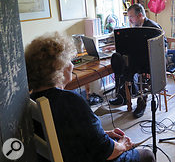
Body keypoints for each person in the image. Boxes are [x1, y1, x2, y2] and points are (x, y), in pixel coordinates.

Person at [25, 32, 155, 162]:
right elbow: (107, 152)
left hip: (68, 153)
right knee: (147, 154)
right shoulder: (71, 101)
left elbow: (68, 133)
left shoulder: (31, 99)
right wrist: (122, 145)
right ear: (59, 68)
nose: (72, 65)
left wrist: (102, 134)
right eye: (70, 61)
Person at [109, 3, 166, 118]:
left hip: (153, 61)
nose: (129, 20)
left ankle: (142, 103)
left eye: (131, 17)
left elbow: (163, 47)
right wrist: (115, 47)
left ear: (140, 15)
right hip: (139, 59)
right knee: (121, 66)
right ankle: (123, 96)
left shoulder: (152, 27)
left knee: (141, 74)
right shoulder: (135, 28)